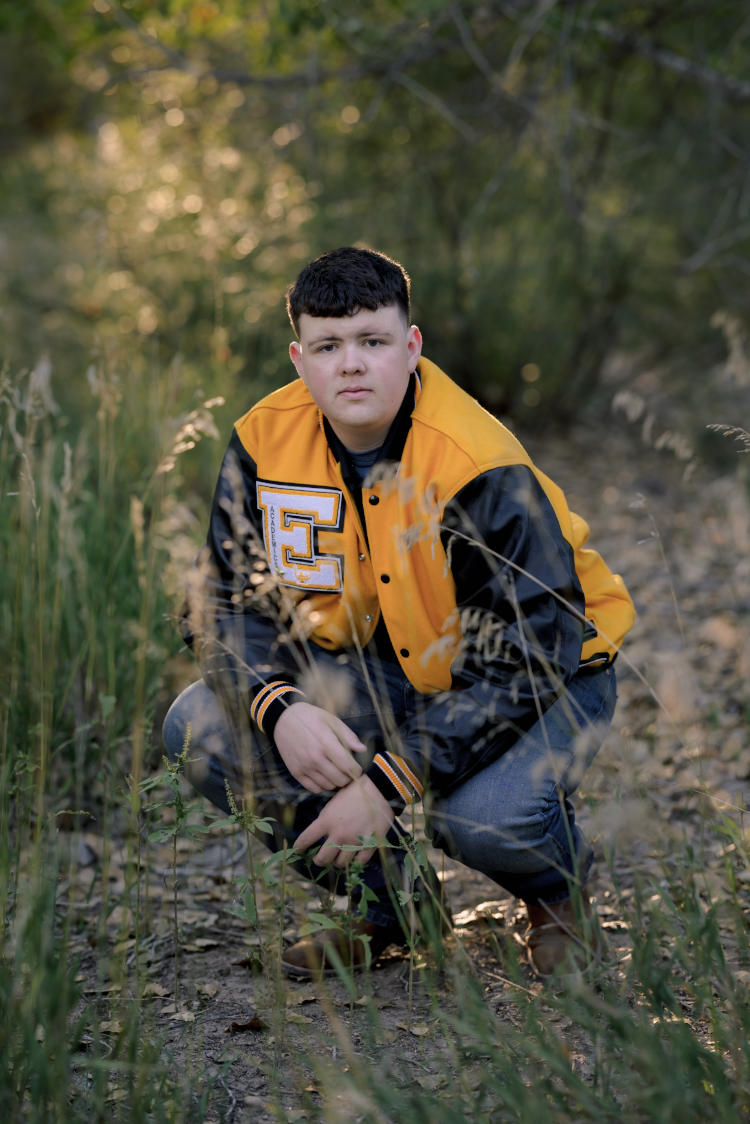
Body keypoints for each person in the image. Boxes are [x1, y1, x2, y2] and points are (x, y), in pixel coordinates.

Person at [163, 246, 635, 978]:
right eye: (328, 346)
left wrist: (386, 785)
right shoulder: (263, 438)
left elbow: (533, 649)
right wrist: (280, 707)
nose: (351, 365)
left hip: (549, 673)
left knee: (480, 819)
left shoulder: (475, 459)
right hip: (382, 667)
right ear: (299, 358)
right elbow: (221, 600)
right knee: (196, 726)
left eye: (372, 341)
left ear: (411, 347)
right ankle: (391, 909)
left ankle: (555, 896)